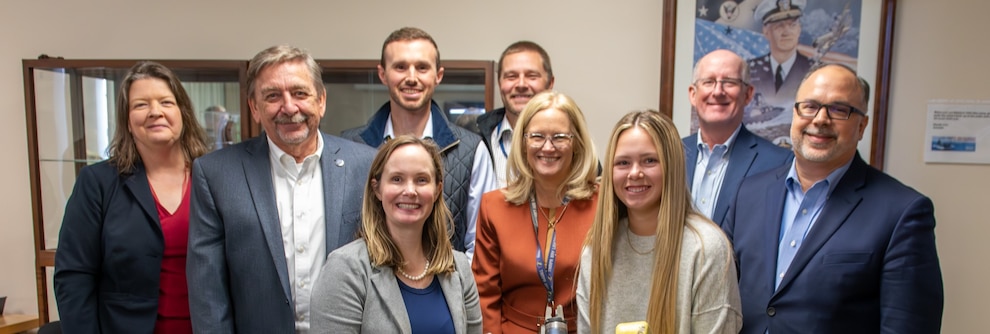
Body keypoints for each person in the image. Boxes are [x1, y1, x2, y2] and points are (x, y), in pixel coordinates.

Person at [724, 64, 944, 333]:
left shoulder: (902, 212)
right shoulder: (748, 192)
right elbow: (721, 293)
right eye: (810, 106)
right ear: (794, 114)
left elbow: (907, 327)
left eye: (839, 109)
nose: (820, 119)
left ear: (862, 126)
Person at [187, 45, 376, 333]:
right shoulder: (216, 174)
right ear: (255, 108)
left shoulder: (366, 165)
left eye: (300, 93)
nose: (289, 108)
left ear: (321, 101)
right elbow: (208, 292)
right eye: (273, 96)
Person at [54, 61, 210, 333]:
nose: (155, 112)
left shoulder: (214, 177)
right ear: (127, 119)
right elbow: (74, 277)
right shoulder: (98, 184)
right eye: (140, 105)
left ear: (182, 112)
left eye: (166, 102)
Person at [577, 110, 741, 334]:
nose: (635, 173)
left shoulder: (706, 249)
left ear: (671, 166)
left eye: (649, 161)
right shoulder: (596, 248)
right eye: (623, 162)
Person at [342, 27, 496, 259]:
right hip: (368, 291)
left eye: (422, 67)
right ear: (383, 74)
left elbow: (481, 246)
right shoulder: (349, 147)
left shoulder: (472, 151)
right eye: (400, 67)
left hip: (443, 290)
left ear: (438, 75)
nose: (411, 78)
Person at [311, 135, 481, 333]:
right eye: (397, 179)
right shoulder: (345, 270)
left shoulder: (458, 268)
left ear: (437, 190)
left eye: (421, 180)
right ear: (377, 189)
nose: (410, 190)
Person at [472, 91, 599, 333]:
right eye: (537, 136)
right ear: (522, 142)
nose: (548, 147)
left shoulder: (602, 205)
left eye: (559, 137)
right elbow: (485, 295)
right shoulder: (494, 207)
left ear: (577, 143)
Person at [684, 49, 791, 227]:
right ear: (693, 94)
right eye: (708, 82)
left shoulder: (779, 163)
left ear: (748, 94)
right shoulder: (669, 155)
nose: (718, 91)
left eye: (729, 82)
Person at [474, 41, 555, 188]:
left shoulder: (573, 142)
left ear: (550, 83)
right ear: (500, 83)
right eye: (511, 76)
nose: (521, 84)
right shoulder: (474, 142)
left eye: (532, 76)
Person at [748, 0, 812, 109]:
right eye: (779, 26)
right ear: (766, 31)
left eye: (792, 25)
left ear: (799, 29)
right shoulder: (748, 70)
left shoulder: (815, 70)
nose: (786, 32)